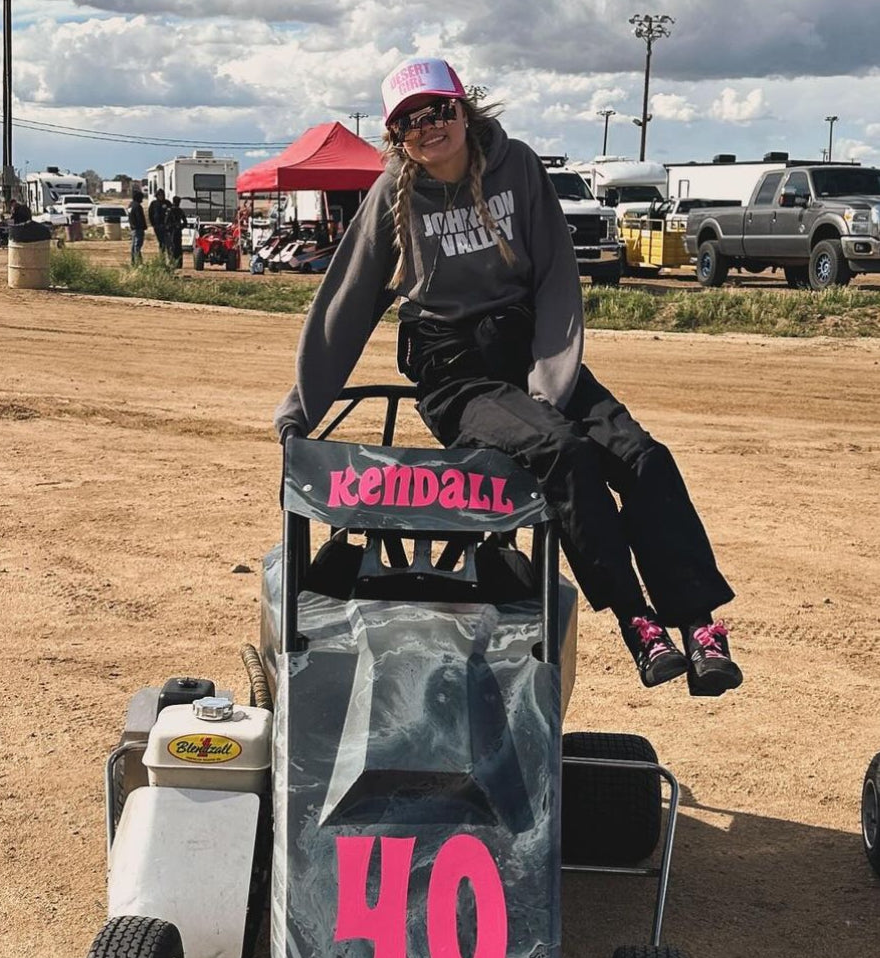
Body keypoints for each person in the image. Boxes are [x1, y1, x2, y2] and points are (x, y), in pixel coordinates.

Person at [275, 57, 742, 697]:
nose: (428, 127)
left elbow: (555, 276)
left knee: (643, 456)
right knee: (564, 452)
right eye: (410, 121)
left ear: (463, 108)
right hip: (456, 374)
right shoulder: (395, 195)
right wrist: (301, 406)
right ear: (396, 136)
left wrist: (550, 380)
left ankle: (698, 625)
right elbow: (348, 302)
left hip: (532, 350)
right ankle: (640, 624)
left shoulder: (517, 166)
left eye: (438, 110)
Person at [164, 195, 188, 267]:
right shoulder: (180, 211)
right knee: (179, 247)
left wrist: (168, 228)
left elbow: (166, 221)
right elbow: (185, 222)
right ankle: (179, 263)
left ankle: (172, 262)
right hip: (178, 231)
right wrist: (180, 227)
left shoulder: (170, 210)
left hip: (172, 231)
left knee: (172, 246)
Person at [128, 188, 147, 266]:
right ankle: (138, 262)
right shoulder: (137, 207)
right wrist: (144, 226)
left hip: (133, 228)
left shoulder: (130, 205)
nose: (142, 200)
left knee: (133, 246)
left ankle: (133, 262)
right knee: (137, 246)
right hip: (138, 228)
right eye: (141, 198)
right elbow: (140, 218)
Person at [148, 188, 168, 252]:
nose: (161, 196)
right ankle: (162, 255)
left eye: (162, 195)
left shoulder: (167, 203)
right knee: (161, 241)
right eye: (159, 195)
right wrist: (153, 224)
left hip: (166, 226)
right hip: (157, 226)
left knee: (166, 241)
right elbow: (150, 214)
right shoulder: (153, 204)